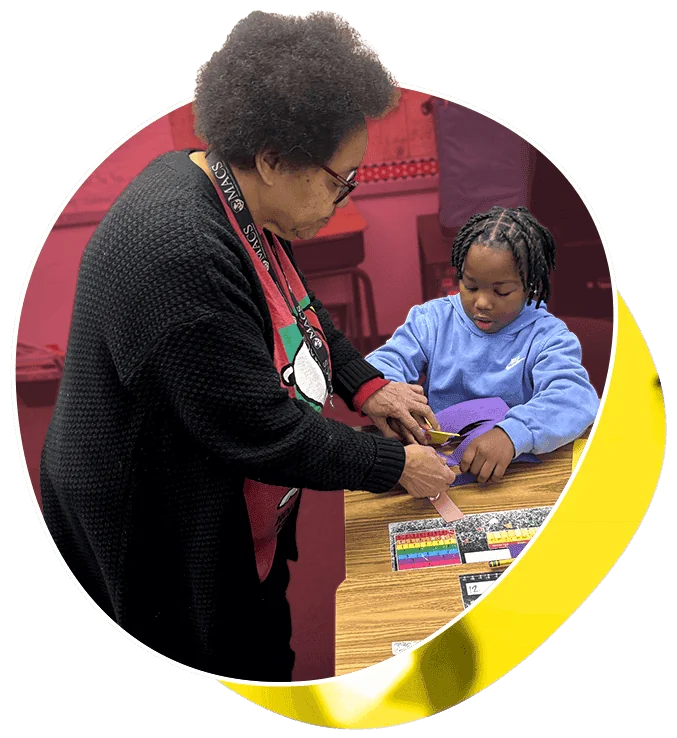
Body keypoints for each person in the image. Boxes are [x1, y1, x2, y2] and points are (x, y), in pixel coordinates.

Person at [39, 10, 454, 682]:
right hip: (157, 526)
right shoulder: (181, 248)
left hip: (233, 497)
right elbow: (256, 428)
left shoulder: (231, 194)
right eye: (338, 179)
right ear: (271, 158)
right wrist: (392, 465)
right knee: (222, 669)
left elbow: (297, 306)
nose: (343, 195)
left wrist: (367, 386)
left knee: (265, 647)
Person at [366, 206, 600, 484]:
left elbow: (575, 397)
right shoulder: (432, 320)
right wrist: (390, 396)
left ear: (531, 286)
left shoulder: (548, 337)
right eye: (470, 286)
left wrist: (513, 433)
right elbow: (382, 364)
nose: (482, 303)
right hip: (436, 468)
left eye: (501, 291)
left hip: (511, 473)